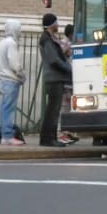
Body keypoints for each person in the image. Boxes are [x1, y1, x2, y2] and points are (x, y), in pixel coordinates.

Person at [39, 13, 71, 147]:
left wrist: (63, 54)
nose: (58, 25)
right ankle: (48, 139)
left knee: (53, 109)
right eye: (57, 22)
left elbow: (55, 56)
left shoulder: (50, 38)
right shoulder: (46, 39)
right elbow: (53, 60)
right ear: (52, 24)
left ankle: (49, 138)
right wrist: (68, 68)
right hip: (54, 79)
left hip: (55, 77)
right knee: (53, 110)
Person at [0, 19, 26, 146]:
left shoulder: (2, 42)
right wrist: (22, 74)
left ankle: (5, 135)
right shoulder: (11, 44)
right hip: (11, 79)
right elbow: (14, 64)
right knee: (9, 108)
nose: (20, 32)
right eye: (19, 29)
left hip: (4, 78)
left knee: (5, 108)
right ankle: (7, 136)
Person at [56, 25, 78, 145]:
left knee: (69, 108)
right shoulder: (65, 43)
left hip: (71, 80)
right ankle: (62, 133)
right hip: (66, 81)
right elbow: (62, 54)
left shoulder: (70, 42)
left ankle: (67, 132)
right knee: (64, 108)